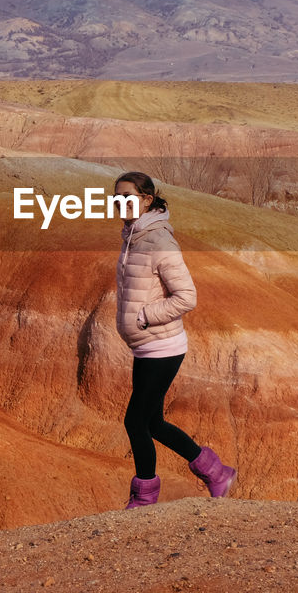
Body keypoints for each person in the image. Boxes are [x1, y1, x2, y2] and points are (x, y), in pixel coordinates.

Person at [113, 170, 237, 508]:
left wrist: (143, 317)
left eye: (127, 197)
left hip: (162, 347)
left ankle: (145, 497)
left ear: (147, 199)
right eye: (116, 198)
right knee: (153, 422)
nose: (120, 203)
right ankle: (216, 472)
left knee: (135, 421)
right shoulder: (134, 236)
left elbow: (186, 296)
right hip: (146, 346)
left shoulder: (159, 241)